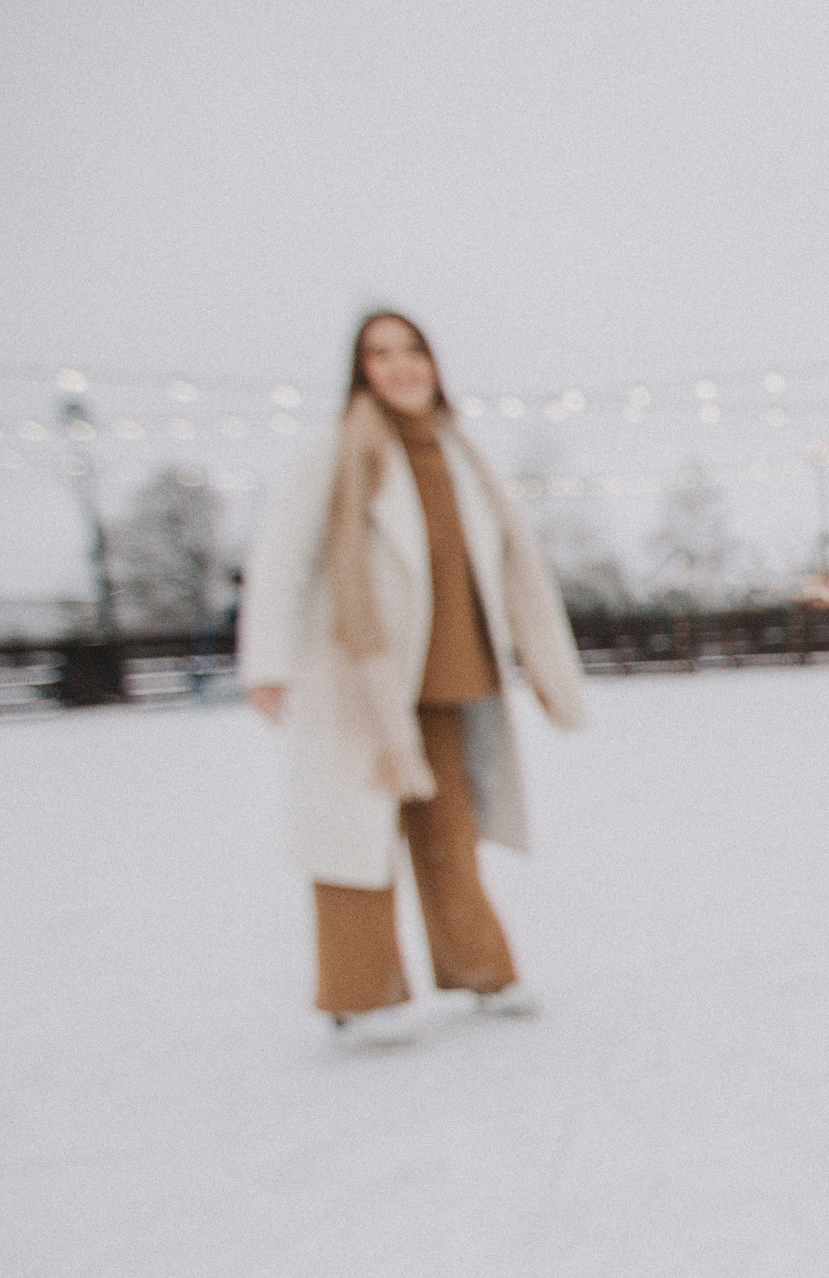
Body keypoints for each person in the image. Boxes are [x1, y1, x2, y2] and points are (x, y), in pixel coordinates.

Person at [238, 311, 587, 1048]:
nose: (399, 367)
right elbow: (282, 555)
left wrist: (551, 669)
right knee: (353, 836)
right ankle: (358, 993)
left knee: (449, 837)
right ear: (360, 370)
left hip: (453, 678)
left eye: (411, 351)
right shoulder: (337, 448)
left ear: (433, 362)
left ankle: (483, 972)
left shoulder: (463, 453)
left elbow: (519, 568)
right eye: (379, 354)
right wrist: (267, 662)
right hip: (358, 683)